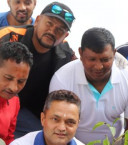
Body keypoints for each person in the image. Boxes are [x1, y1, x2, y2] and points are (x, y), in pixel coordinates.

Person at [49, 27, 128, 145]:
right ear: (80, 54)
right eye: (92, 59)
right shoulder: (63, 78)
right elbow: (56, 124)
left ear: (114, 54)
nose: (98, 67)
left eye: (105, 60)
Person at [0, 1, 76, 137]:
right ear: (37, 20)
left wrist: (115, 56)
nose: (52, 31)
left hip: (31, 115)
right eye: (49, 23)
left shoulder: (65, 53)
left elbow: (89, 63)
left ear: (65, 36)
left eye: (59, 30)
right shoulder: (8, 36)